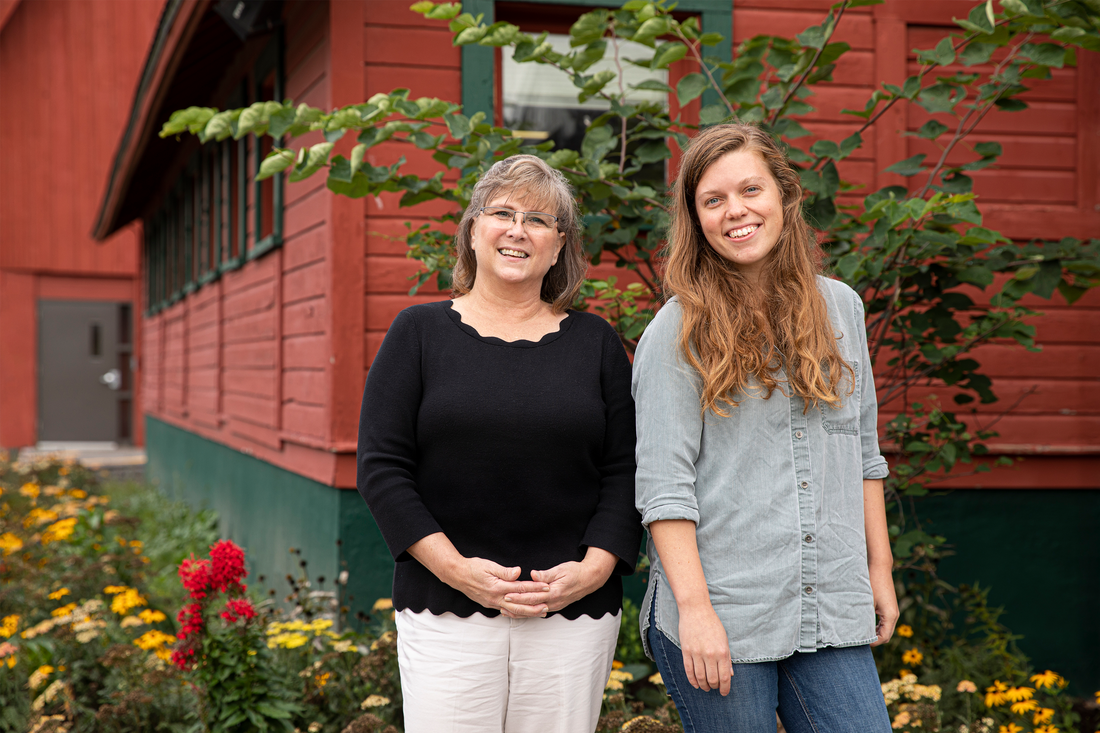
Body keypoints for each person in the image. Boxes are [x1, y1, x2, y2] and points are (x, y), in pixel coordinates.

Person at [356, 154, 642, 733]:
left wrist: (594, 569)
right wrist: (458, 570)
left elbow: (628, 469)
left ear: (559, 245)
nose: (518, 229)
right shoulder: (418, 333)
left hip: (573, 615)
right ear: (473, 230)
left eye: (538, 219)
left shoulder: (596, 343)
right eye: (502, 213)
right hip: (446, 609)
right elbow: (382, 468)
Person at [633, 123, 897, 732]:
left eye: (750, 189)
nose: (736, 212)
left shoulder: (842, 308)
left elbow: (863, 453)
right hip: (723, 611)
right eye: (713, 200)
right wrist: (696, 612)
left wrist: (876, 572)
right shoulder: (676, 332)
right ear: (695, 219)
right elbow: (664, 487)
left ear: (783, 194)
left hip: (828, 602)